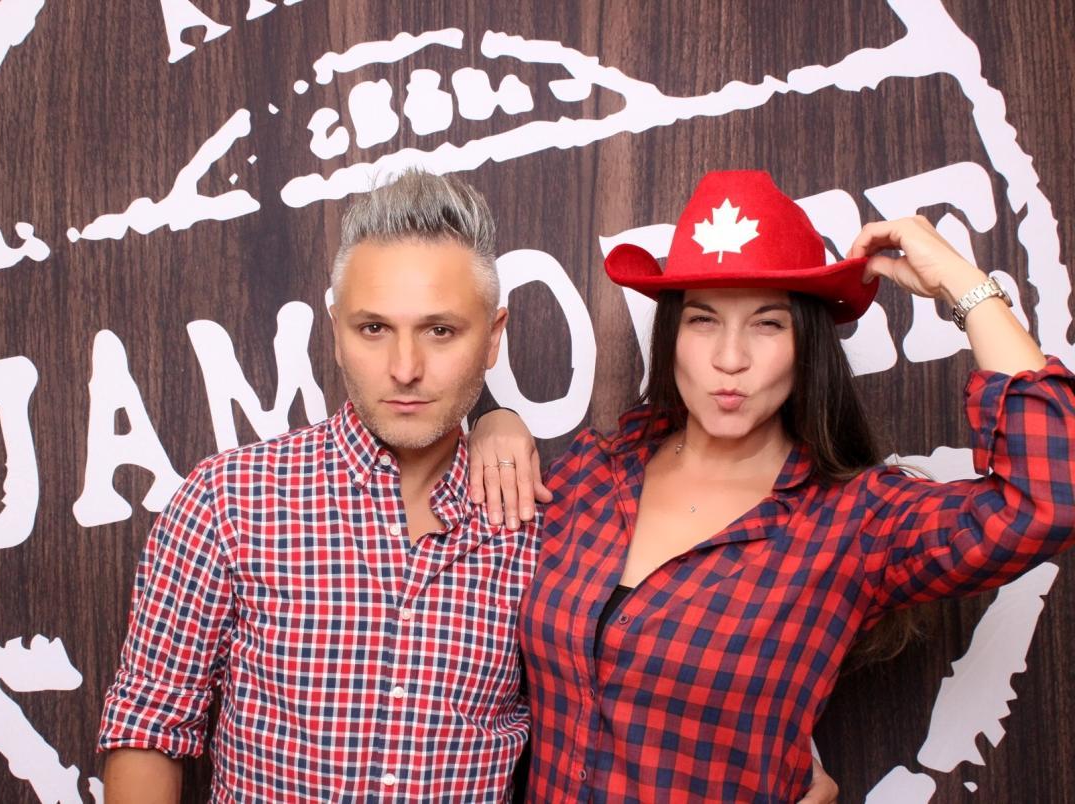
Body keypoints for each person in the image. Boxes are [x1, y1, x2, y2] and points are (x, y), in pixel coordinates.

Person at [97, 169, 840, 803]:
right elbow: (148, 725)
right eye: (374, 329)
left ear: (494, 336)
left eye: (441, 331)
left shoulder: (549, 520)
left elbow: (645, 671)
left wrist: (779, 753)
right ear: (336, 331)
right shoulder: (229, 501)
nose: (405, 369)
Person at [470, 169, 1075, 802]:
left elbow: (1048, 497)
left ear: (806, 343)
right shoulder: (594, 474)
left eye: (767, 324)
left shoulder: (856, 521)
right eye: (703, 320)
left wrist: (965, 285)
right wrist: (493, 419)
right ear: (671, 333)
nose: (730, 359)